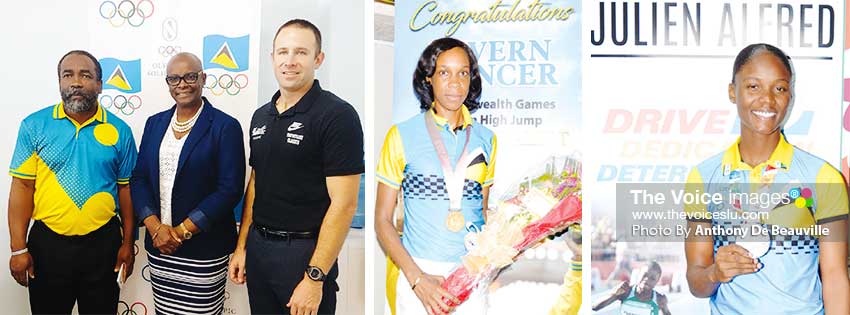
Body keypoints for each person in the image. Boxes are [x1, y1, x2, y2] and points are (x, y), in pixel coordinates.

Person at [684, 43, 850, 314]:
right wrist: (714, 272)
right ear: (732, 92)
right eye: (753, 86)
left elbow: (835, 277)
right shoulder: (703, 178)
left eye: (780, 88)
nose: (767, 100)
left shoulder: (823, 177)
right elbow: (696, 282)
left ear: (790, 95)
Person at [227, 19, 364, 315]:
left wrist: (314, 278)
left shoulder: (337, 115)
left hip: (305, 255)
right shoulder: (260, 116)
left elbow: (345, 204)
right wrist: (242, 248)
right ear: (272, 58)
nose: (290, 61)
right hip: (259, 250)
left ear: (318, 59)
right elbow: (256, 183)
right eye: (283, 52)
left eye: (301, 52)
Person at [7, 50, 137, 314]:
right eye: (68, 75)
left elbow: (126, 189)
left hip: (104, 246)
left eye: (85, 75)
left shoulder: (120, 130)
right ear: (59, 83)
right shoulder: (34, 126)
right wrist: (18, 249)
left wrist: (127, 244)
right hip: (48, 247)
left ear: (99, 85)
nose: (76, 82)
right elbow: (22, 187)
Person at [375, 37, 497, 315]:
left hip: (470, 276)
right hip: (418, 276)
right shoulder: (401, 135)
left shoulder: (487, 139)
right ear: (428, 78)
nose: (455, 82)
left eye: (463, 72)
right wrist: (418, 280)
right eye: (444, 72)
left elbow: (483, 212)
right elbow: (382, 220)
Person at [131, 52, 245, 315]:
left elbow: (229, 189)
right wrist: (155, 228)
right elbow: (139, 179)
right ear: (168, 83)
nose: (182, 84)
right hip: (161, 249)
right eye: (174, 78)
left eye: (190, 76)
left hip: (204, 250)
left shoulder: (225, 126)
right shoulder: (154, 123)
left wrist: (180, 232)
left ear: (203, 78)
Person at [591, 261, 671, 315]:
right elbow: (595, 307)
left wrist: (665, 308)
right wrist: (614, 294)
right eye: (645, 275)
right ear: (639, 274)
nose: (647, 279)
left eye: (652, 278)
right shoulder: (626, 292)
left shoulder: (659, 299)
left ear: (657, 282)